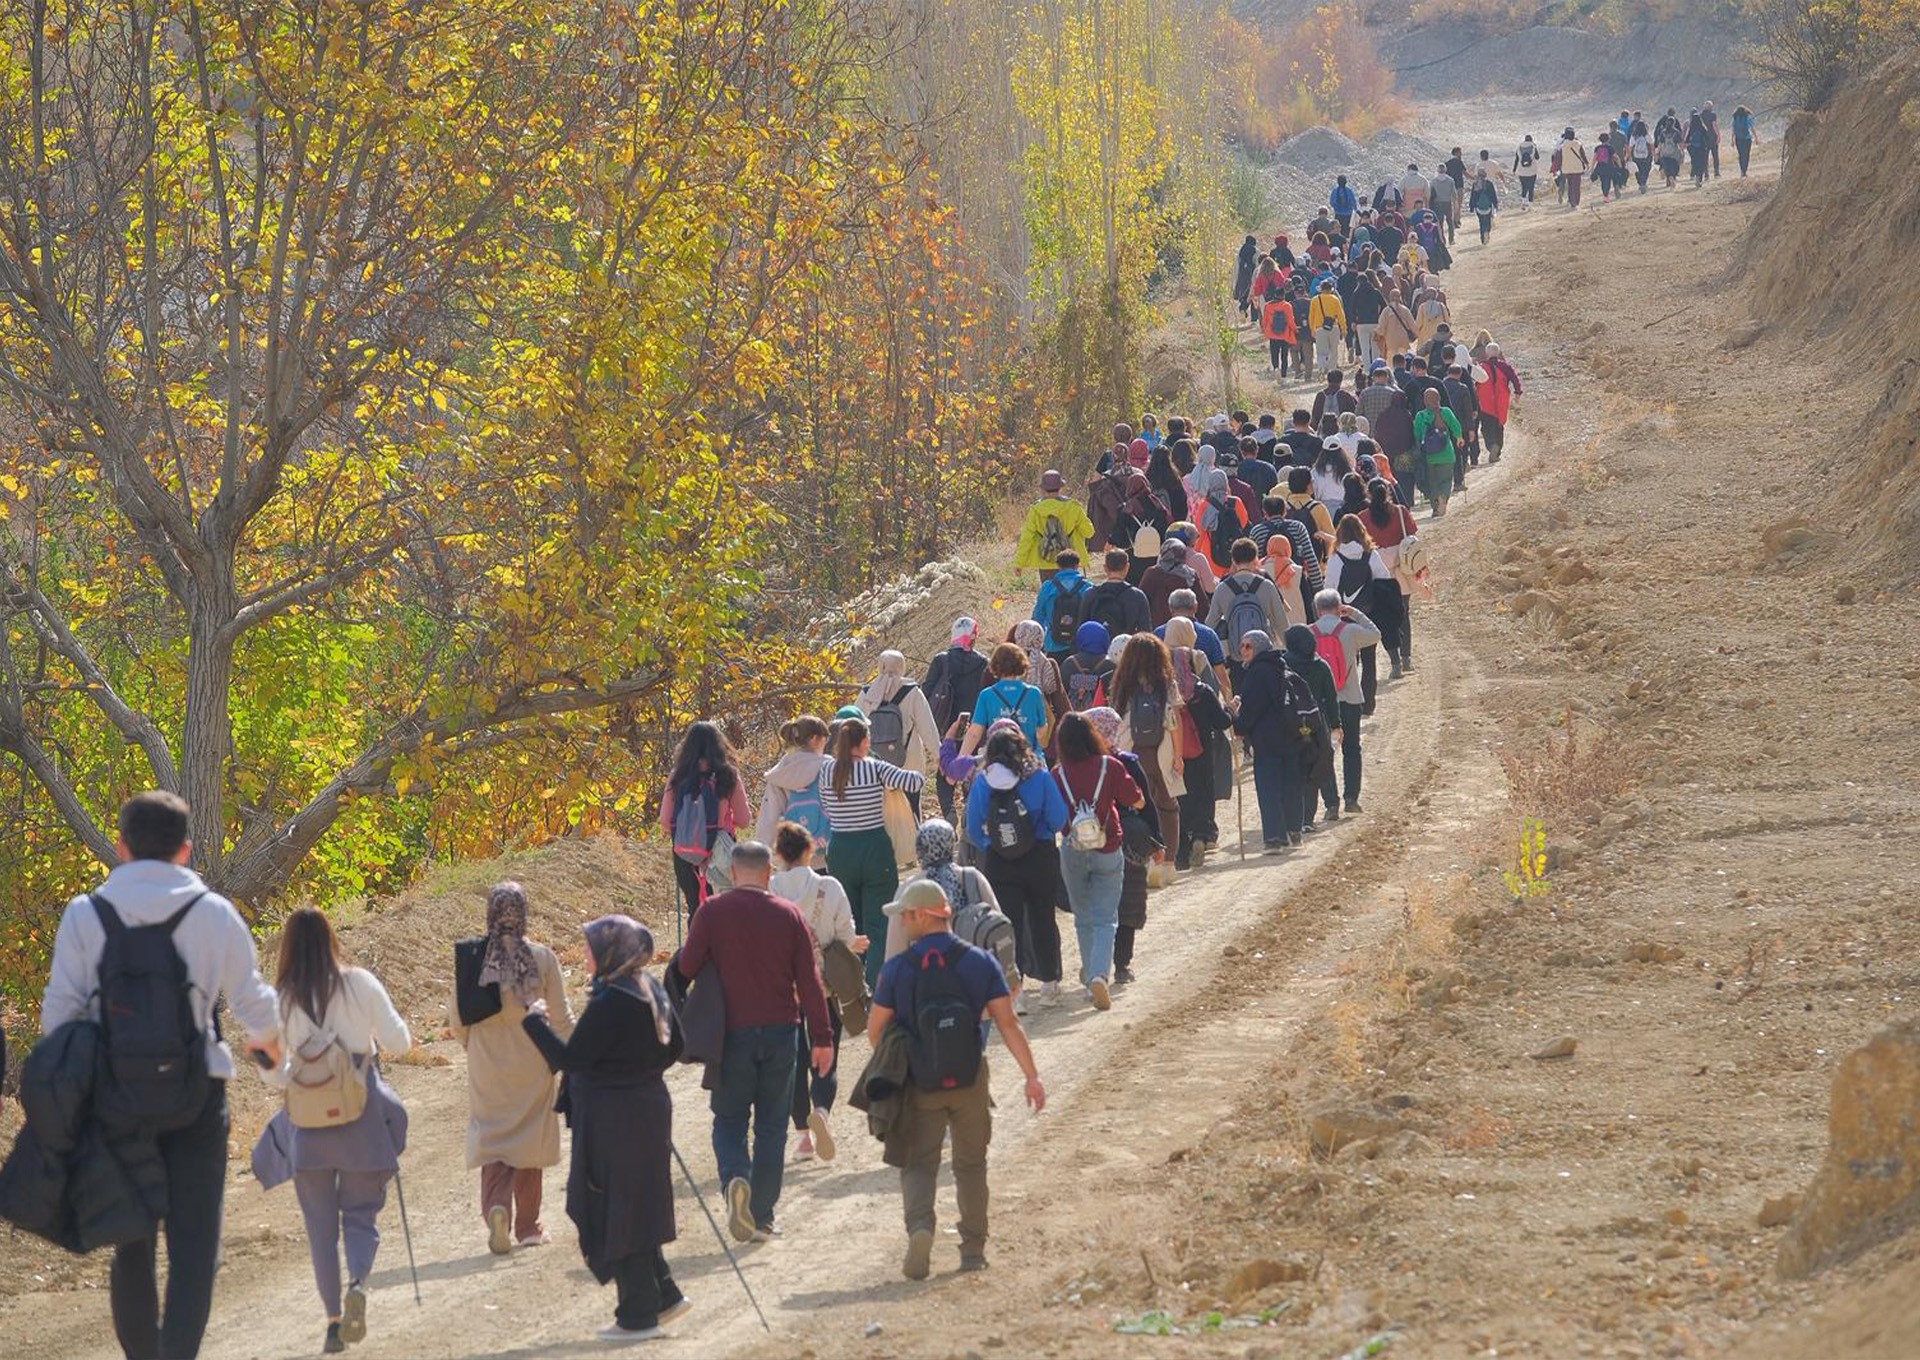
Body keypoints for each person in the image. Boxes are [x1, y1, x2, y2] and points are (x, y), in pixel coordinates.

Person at [38, 791, 282, 1360]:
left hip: (115, 1103)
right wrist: (267, 1048)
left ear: (120, 847)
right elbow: (255, 1004)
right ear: (186, 851)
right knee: (195, 1250)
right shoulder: (213, 912)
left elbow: (58, 1018)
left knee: (132, 1245)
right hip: (197, 1099)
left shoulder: (84, 913)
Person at [869, 880, 1045, 1280]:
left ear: (920, 916)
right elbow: (1008, 1023)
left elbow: (876, 1027)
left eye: (904, 916)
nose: (902, 924)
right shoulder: (979, 961)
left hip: (920, 1084)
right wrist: (1031, 1076)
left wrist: (895, 1065)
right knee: (971, 1165)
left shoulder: (897, 969)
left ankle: (920, 1229)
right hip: (969, 1079)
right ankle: (972, 1251)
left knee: (917, 1164)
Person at [525, 916, 689, 1342]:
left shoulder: (612, 999)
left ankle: (637, 1316)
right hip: (649, 1106)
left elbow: (571, 1059)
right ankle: (664, 1292)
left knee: (621, 1207)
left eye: (591, 949)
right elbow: (678, 1046)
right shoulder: (648, 987)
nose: (586, 956)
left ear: (610, 953)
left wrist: (534, 1022)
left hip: (616, 1115)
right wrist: (642, 1072)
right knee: (640, 1201)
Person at [265, 908, 411, 1355]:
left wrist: (301, 1069)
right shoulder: (359, 984)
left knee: (320, 1228)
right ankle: (358, 1283)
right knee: (361, 1216)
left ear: (288, 947)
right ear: (331, 938)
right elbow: (400, 1042)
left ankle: (332, 1324)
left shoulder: (282, 1000)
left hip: (307, 1130)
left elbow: (273, 1075)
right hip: (361, 1119)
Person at [676, 840, 834, 1243]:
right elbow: (810, 983)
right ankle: (762, 1215)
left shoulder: (712, 912)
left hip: (731, 1035)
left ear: (732, 873)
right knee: (770, 1127)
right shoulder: (788, 914)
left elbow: (687, 965)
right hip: (781, 1032)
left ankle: (734, 1180)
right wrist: (823, 1037)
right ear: (769, 874)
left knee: (729, 1120)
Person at [454, 882, 572, 1258]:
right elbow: (561, 1016)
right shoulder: (541, 957)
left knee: (493, 1139)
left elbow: (457, 1021)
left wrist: (472, 1046)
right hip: (532, 1060)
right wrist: (574, 1054)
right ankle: (529, 1227)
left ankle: (496, 1210)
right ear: (524, 913)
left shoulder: (473, 959)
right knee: (528, 1142)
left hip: (487, 1063)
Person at [770, 821, 862, 1161]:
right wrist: (855, 944)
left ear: (778, 854)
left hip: (783, 989)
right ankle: (821, 1111)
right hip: (824, 984)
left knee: (792, 1059)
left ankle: (804, 1139)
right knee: (826, 1053)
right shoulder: (829, 886)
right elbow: (846, 934)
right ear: (810, 850)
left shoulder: (768, 889)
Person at [962, 722, 1069, 1010]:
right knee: (1042, 918)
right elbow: (1059, 818)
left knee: (1007, 926)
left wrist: (993, 844)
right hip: (1040, 855)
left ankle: (1014, 990)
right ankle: (1049, 983)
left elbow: (972, 827)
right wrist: (1040, 833)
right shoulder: (1040, 776)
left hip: (1000, 860)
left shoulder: (984, 781)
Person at [819, 716, 925, 990]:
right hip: (874, 847)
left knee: (849, 919)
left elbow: (827, 810)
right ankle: (877, 981)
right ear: (864, 742)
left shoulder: (827, 772)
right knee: (879, 919)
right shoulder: (875, 768)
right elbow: (915, 782)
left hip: (841, 849)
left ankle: (853, 982)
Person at [1051, 712, 1145, 1010]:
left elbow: (1053, 818)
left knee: (1083, 917)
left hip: (1073, 850)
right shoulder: (1110, 766)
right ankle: (1099, 976)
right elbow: (1136, 799)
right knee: (1106, 917)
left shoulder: (1057, 774)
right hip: (1108, 846)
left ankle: (1092, 973)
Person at [1109, 632, 1183, 883]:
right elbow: (1175, 721)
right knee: (1168, 805)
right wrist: (1179, 756)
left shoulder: (1122, 682)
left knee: (1139, 805)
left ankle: (1149, 858)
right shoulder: (1166, 682)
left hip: (1131, 751)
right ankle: (1170, 863)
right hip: (1161, 749)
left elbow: (1115, 719)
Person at [1159, 617, 1232, 872]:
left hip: (1171, 747)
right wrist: (1230, 710)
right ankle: (1202, 834)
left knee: (1180, 794)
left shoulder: (1160, 671)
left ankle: (1182, 847)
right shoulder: (1199, 675)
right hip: (1201, 743)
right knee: (1203, 790)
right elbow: (1219, 713)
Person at [661, 721, 750, 918]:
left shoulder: (678, 776)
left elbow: (666, 822)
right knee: (722, 909)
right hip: (719, 852)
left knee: (696, 908)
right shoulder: (728, 775)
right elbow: (745, 820)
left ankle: (696, 947)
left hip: (684, 851)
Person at [1230, 630, 1307, 851]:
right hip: (1290, 735)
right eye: (1242, 645)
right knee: (1290, 785)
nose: (1242, 650)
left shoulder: (1256, 673)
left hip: (1267, 740)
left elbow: (1253, 709)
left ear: (1259, 648)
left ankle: (1275, 837)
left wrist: (1237, 719)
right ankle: (1294, 830)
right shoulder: (1280, 666)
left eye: (1248, 646)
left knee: (1269, 788)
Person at [1311, 590, 1382, 814]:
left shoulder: (1308, 633)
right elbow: (1375, 634)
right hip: (1349, 698)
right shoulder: (1349, 630)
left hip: (1322, 702)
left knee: (1324, 753)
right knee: (1351, 749)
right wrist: (1354, 613)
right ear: (1339, 606)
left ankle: (1331, 804)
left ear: (1317, 608)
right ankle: (1351, 798)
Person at [1324, 516, 1396, 714]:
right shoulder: (1371, 555)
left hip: (1342, 616)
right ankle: (1368, 704)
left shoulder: (1336, 558)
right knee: (1369, 659)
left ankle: (1350, 702)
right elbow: (1384, 578)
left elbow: (1329, 587)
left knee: (1347, 660)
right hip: (1367, 614)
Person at [922, 618, 990, 821]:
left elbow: (926, 693)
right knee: (970, 769)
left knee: (945, 771)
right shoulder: (983, 664)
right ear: (974, 636)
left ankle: (950, 811)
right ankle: (969, 812)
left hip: (947, 725)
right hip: (974, 726)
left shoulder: (941, 660)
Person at [1360, 479, 1419, 676]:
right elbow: (1412, 536)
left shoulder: (1362, 518)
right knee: (1403, 614)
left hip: (1377, 574)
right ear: (1388, 492)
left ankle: (1394, 662)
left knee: (1385, 618)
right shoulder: (1401, 512)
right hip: (1401, 570)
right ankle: (1407, 658)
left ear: (1368, 494)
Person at [959, 641, 1051, 757]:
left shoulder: (987, 695)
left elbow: (975, 733)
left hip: (999, 760)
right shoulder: (1034, 693)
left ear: (995, 665)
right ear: (1021, 663)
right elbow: (1042, 730)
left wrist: (960, 760)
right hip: (1030, 759)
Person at [755, 714, 834, 846]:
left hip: (795, 852)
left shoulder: (780, 773)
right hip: (826, 847)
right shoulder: (829, 766)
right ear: (814, 738)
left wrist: (764, 853)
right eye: (826, 738)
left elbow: (769, 819)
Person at [1015, 469, 1094, 580]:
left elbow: (1026, 538)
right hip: (1069, 561)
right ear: (1061, 487)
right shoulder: (1074, 507)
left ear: (1042, 489)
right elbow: (1089, 532)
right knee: (1070, 594)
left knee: (1050, 593)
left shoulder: (1035, 510)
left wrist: (1019, 563)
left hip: (1045, 561)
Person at [1031, 549, 1092, 660]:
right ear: (1077, 565)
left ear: (1058, 566)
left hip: (1053, 645)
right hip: (1081, 646)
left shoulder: (1048, 587)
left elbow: (1037, 617)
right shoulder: (1088, 587)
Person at [1081, 546, 1153, 639]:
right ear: (1127, 567)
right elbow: (1146, 633)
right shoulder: (1137, 596)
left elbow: (1081, 629)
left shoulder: (1090, 594)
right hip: (1127, 650)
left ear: (1105, 568)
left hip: (1097, 649)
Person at [1412, 386, 1462, 517]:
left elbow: (1416, 435)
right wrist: (1459, 438)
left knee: (1432, 482)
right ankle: (1443, 498)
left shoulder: (1420, 416)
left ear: (1424, 401)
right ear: (1439, 398)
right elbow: (1456, 426)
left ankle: (1435, 508)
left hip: (1429, 456)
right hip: (1447, 454)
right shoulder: (1446, 412)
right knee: (1445, 480)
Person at [1475, 342, 1522, 464]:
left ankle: (1491, 446)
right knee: (1499, 426)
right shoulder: (1505, 366)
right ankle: (1498, 449)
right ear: (1499, 353)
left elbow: (1474, 383)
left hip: (1485, 402)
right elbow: (1515, 379)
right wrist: (1517, 392)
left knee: (1486, 427)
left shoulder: (1482, 367)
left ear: (1486, 353)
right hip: (1501, 400)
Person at [1308, 279, 1347, 377]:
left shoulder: (1315, 300)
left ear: (1321, 289)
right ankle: (1332, 371)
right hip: (1333, 327)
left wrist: (1312, 329)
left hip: (1320, 328)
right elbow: (1341, 315)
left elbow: (1311, 316)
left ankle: (1322, 368)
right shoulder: (1335, 299)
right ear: (1331, 289)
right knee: (1333, 351)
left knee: (1321, 352)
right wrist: (1344, 328)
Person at [1260, 284, 1297, 375]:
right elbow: (1290, 320)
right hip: (1285, 335)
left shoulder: (1268, 306)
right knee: (1284, 356)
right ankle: (1283, 375)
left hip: (1273, 334)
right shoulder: (1287, 306)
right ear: (1283, 295)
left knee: (1274, 353)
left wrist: (1264, 330)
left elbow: (1265, 320)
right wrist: (1295, 329)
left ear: (1275, 295)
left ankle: (1276, 368)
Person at [1558, 128, 1587, 209]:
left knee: (1570, 185)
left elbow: (1559, 158)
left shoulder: (1562, 146)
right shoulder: (1578, 144)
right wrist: (1587, 163)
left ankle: (1571, 202)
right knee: (1576, 186)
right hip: (1577, 168)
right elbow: (1583, 155)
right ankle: (1576, 202)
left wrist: (1556, 168)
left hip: (1566, 168)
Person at [1232, 233, 1259, 317]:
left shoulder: (1240, 251)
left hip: (1242, 276)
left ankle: (1243, 309)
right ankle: (1254, 318)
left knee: (1244, 294)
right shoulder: (1255, 251)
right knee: (1254, 295)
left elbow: (1236, 265)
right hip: (1252, 275)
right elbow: (1257, 264)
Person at [1469, 171, 1498, 245]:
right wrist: (1495, 205)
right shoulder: (1489, 184)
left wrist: (1471, 207)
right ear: (1485, 175)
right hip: (1488, 206)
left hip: (1479, 207)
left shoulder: (1475, 185)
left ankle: (1483, 239)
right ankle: (1487, 232)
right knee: (1488, 221)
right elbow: (1493, 196)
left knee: (1481, 222)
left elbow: (1473, 197)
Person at [1732, 104, 1757, 176]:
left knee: (1740, 155)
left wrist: (1732, 140)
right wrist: (1756, 138)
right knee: (1746, 155)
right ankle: (1744, 170)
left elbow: (1733, 129)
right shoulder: (1748, 117)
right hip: (1747, 138)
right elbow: (1752, 129)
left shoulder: (1735, 118)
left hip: (1738, 138)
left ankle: (1742, 170)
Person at [1514, 134, 1539, 203]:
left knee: (1524, 187)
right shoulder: (1533, 146)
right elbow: (1537, 157)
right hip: (1532, 171)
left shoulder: (1519, 146)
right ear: (1531, 140)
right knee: (1531, 188)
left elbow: (1516, 160)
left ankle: (1523, 202)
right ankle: (1530, 205)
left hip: (1521, 171)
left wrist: (1514, 170)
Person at [1702, 100, 1721, 177]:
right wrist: (1718, 135)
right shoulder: (1713, 115)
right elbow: (1714, 125)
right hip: (1712, 136)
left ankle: (1706, 173)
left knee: (1705, 156)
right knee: (1715, 155)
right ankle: (1716, 172)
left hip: (1704, 137)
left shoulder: (1701, 115)